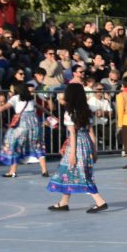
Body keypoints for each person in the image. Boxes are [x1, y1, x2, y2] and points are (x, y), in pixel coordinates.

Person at [46, 83, 108, 214]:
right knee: (69, 173)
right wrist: (94, 150)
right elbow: (91, 132)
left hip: (76, 145)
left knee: (79, 173)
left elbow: (73, 134)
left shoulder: (69, 113)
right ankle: (63, 202)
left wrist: (72, 154)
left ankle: (99, 201)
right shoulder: (88, 111)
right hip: (86, 143)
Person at [0, 81, 50, 178]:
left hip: (22, 124)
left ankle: (12, 171)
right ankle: (44, 170)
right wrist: (52, 116)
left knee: (14, 145)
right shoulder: (30, 99)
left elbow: (3, 107)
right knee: (38, 145)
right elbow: (41, 108)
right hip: (35, 124)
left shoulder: (15, 98)